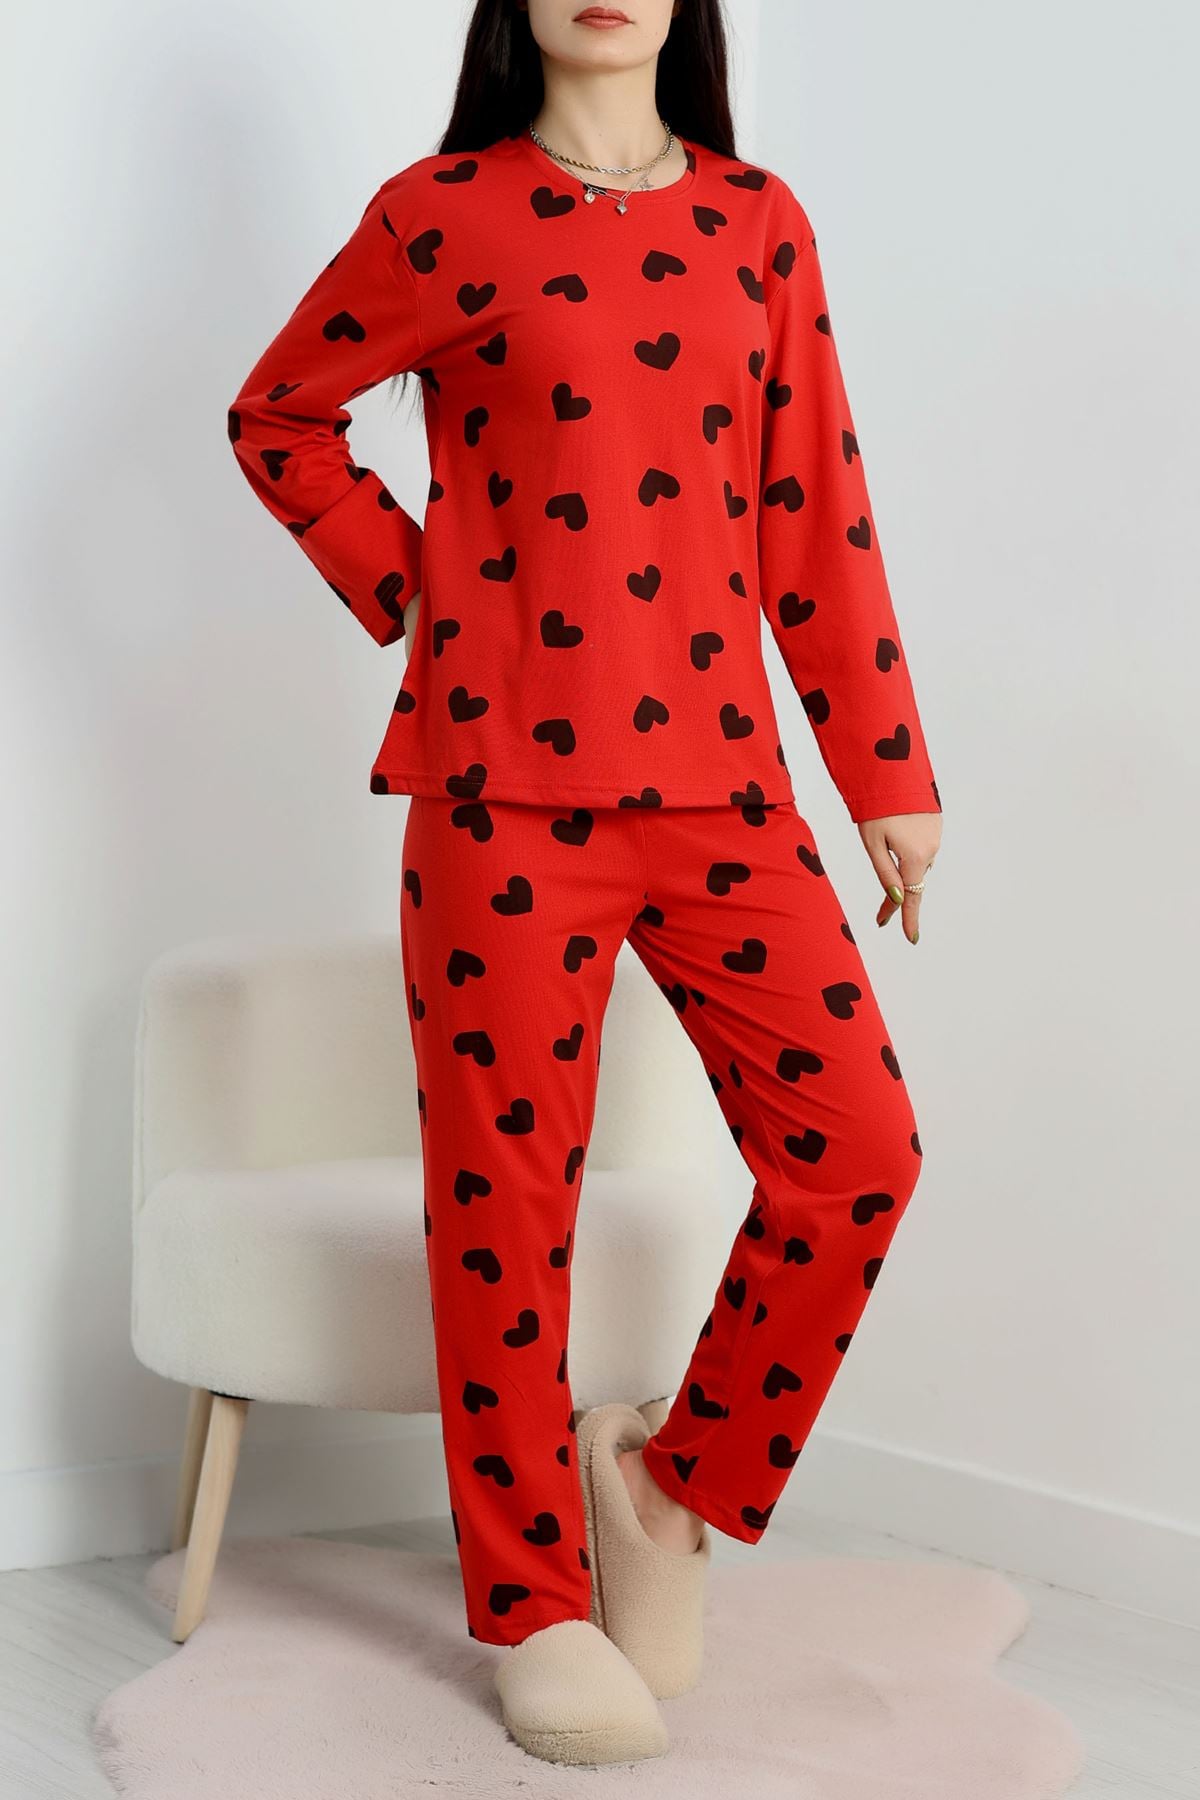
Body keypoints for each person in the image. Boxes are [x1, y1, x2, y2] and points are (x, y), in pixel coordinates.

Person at [227, 0, 943, 1768]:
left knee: (859, 1149)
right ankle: (533, 1602)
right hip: (499, 790)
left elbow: (815, 509)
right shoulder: (444, 213)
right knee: (506, 1208)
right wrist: (421, 598)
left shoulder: (759, 224)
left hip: (722, 786)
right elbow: (280, 417)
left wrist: (885, 771)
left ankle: (672, 1485)